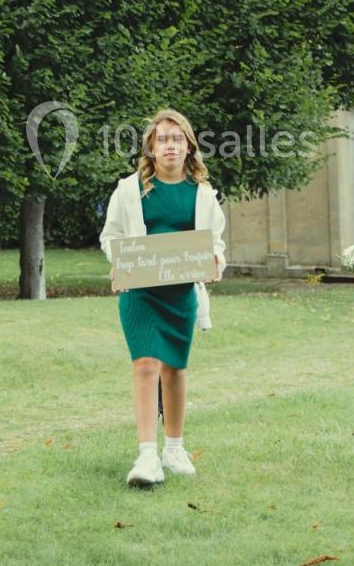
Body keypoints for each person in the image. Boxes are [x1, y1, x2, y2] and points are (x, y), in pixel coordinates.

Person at [100, 109, 225, 487]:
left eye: (177, 139)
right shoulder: (128, 190)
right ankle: (146, 455)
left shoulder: (202, 194)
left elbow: (214, 241)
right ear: (151, 148)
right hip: (140, 294)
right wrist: (118, 262)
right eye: (162, 139)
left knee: (174, 368)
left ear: (188, 147)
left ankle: (174, 448)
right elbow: (111, 236)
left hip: (180, 295)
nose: (170, 145)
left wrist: (216, 261)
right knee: (145, 365)